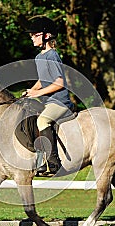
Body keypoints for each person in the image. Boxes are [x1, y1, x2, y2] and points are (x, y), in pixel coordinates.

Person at [25, 17, 73, 176]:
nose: (32, 38)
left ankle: (54, 163)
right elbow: (43, 80)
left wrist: (37, 93)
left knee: (42, 120)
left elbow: (59, 83)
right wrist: (31, 91)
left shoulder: (52, 55)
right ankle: (39, 163)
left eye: (35, 35)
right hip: (48, 101)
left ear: (46, 36)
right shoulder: (39, 57)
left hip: (60, 102)